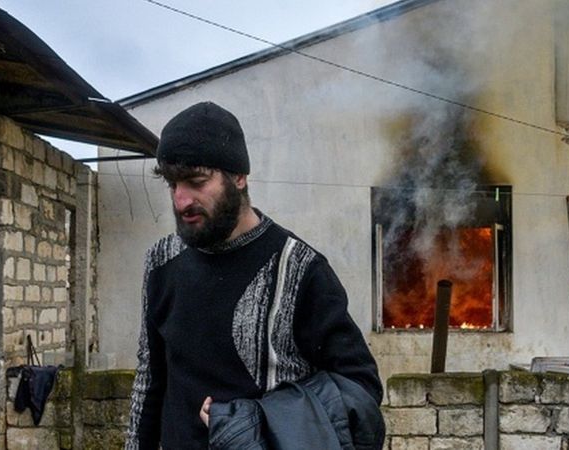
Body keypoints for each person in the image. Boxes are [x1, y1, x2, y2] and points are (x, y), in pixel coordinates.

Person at [125, 101, 382, 449]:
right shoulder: (161, 262)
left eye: (196, 182)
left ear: (239, 177)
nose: (181, 200)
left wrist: (254, 421)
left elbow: (360, 388)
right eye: (172, 185)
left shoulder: (298, 268)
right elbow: (149, 381)